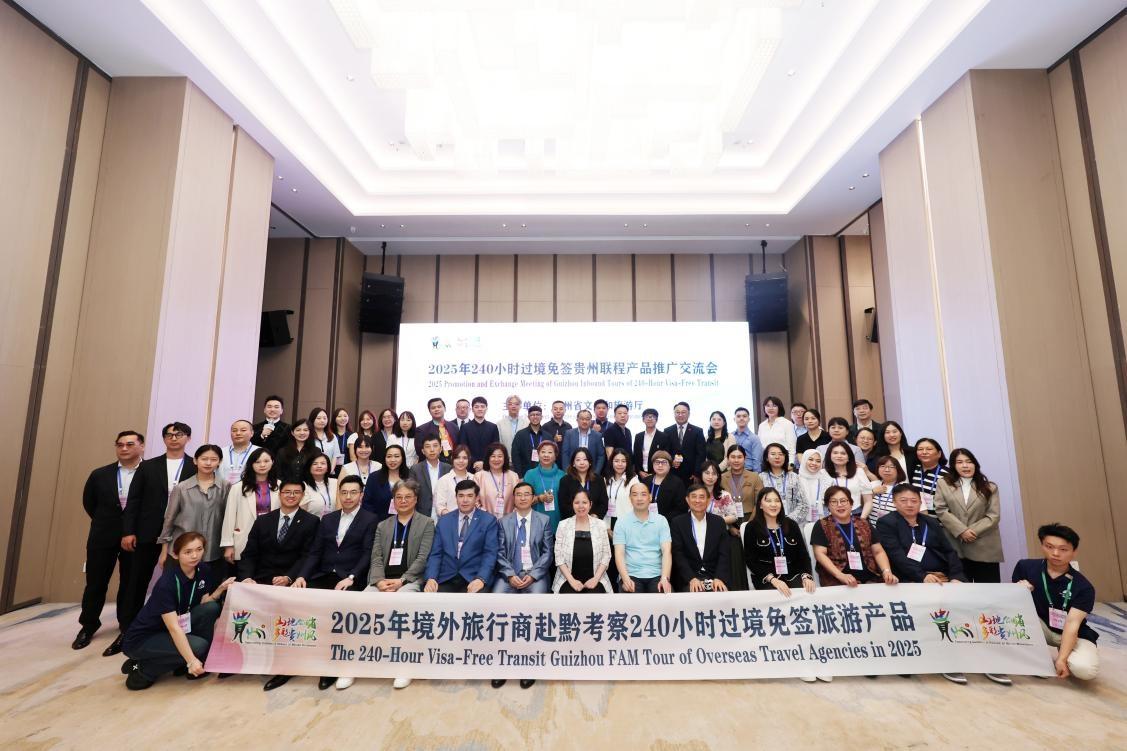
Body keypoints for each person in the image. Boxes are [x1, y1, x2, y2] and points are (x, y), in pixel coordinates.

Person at [876, 483, 969, 684]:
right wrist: (922, 576)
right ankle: (927, 661)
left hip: (942, 578)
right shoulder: (886, 523)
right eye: (904, 501)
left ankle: (956, 659)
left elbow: (949, 551)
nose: (909, 505)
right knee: (929, 619)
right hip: (909, 580)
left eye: (914, 501)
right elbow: (896, 555)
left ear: (921, 502)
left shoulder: (930, 522)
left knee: (958, 615)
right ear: (894, 503)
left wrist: (956, 576)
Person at [291, 475, 376, 691]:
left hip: (349, 578)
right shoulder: (328, 519)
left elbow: (367, 554)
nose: (348, 497)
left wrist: (351, 577)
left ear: (361, 495)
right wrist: (302, 576)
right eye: (344, 492)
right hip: (324, 575)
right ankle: (292, 663)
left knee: (339, 615)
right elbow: (315, 552)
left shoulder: (370, 519)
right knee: (298, 603)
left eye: (353, 492)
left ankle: (332, 667)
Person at [118, 422, 197, 654]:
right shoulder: (148, 466)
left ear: (188, 438)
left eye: (179, 434)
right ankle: (128, 629)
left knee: (178, 584)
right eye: (169, 435)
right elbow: (134, 500)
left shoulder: (194, 465)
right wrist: (128, 531)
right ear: (164, 439)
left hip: (181, 534)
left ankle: (175, 631)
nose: (174, 438)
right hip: (147, 532)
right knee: (136, 581)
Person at [120, 532, 234, 690]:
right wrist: (191, 660)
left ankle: (186, 660)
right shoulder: (166, 583)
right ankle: (142, 669)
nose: (195, 555)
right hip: (144, 638)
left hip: (173, 628)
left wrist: (220, 589)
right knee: (199, 646)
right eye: (188, 552)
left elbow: (204, 603)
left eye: (199, 549)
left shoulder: (203, 569)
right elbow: (174, 628)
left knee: (211, 608)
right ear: (175, 554)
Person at [238, 478, 320, 691]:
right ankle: (239, 659)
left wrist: (289, 577)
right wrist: (247, 578)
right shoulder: (263, 520)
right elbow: (249, 554)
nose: (291, 496)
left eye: (296, 492)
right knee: (238, 600)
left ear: (302, 495)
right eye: (287, 492)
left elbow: (308, 556)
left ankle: (285, 667)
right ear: (280, 494)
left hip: (291, 582)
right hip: (262, 578)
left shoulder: (311, 522)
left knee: (288, 617)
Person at [73, 430, 145, 653]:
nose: (124, 448)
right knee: (95, 582)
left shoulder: (151, 473)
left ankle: (127, 626)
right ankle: (88, 625)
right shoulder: (100, 474)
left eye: (130, 444)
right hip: (103, 535)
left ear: (141, 446)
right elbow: (90, 503)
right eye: (120, 444)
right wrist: (108, 522)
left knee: (130, 584)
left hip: (137, 536)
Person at [367, 479, 436, 690]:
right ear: (393, 500)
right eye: (399, 497)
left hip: (409, 580)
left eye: (408, 497)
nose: (403, 501)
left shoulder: (426, 523)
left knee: (403, 604)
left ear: (416, 499)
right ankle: (358, 664)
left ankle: (405, 666)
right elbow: (376, 557)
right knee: (362, 602)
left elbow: (423, 558)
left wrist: (401, 580)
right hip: (382, 579)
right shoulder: (383, 525)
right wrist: (379, 581)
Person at [1012, 523, 1099, 681]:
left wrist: (1062, 659)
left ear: (1074, 552)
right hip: (1039, 626)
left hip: (1072, 632)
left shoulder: (1084, 587)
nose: (1055, 553)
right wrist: (1018, 591)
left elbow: (1072, 623)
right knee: (1011, 619)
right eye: (1049, 547)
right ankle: (1033, 657)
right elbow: (1012, 605)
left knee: (1085, 670)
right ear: (1042, 545)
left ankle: (1065, 650)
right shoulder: (1025, 567)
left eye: (1063, 549)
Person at [158, 444, 229, 578]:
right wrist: (164, 551)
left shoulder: (226, 487)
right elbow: (169, 520)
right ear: (195, 460)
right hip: (182, 550)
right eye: (204, 459)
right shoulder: (181, 488)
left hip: (213, 552)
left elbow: (229, 519)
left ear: (219, 462)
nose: (208, 463)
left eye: (213, 459)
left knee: (209, 589)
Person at [935, 448, 1003, 583]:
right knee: (961, 591)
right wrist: (961, 531)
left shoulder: (990, 487)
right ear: (954, 466)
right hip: (956, 545)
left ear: (975, 464)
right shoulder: (943, 484)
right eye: (959, 462)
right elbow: (941, 509)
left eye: (969, 461)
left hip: (984, 546)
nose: (965, 465)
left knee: (988, 590)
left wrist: (971, 531)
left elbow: (993, 516)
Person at [811, 485, 898, 587]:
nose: (839, 505)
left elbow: (878, 551)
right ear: (828, 506)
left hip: (870, 578)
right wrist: (840, 575)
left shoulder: (864, 523)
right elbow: (820, 554)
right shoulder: (822, 525)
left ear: (851, 504)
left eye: (843, 501)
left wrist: (886, 571)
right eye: (834, 502)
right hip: (838, 580)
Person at [424, 479, 500, 593]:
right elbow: (436, 554)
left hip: (473, 577)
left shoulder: (488, 521)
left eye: (470, 496)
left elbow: (490, 554)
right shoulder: (444, 521)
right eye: (461, 496)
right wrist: (431, 578)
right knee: (432, 597)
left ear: (477, 498)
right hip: (446, 577)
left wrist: (481, 579)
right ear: (456, 497)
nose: (465, 500)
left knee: (476, 598)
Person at [493, 482, 554, 595]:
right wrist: (510, 575)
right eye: (519, 495)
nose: (522, 498)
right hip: (509, 574)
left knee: (537, 600)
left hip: (535, 574)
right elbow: (499, 553)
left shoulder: (544, 520)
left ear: (533, 497)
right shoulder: (503, 522)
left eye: (526, 494)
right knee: (497, 598)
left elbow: (548, 553)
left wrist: (533, 575)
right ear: (514, 498)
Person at [221, 447, 278, 565]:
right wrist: (228, 545)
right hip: (245, 538)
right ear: (251, 464)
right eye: (257, 462)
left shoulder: (280, 486)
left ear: (272, 462)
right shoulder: (238, 487)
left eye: (266, 461)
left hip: (271, 539)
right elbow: (229, 517)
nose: (262, 465)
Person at [670, 484, 731, 592]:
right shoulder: (677, 523)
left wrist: (719, 578)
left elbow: (724, 553)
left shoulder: (718, 522)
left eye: (702, 497)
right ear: (687, 500)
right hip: (689, 578)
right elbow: (678, 554)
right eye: (694, 496)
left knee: (721, 595)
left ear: (708, 500)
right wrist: (691, 578)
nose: (698, 500)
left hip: (714, 576)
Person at [614, 483, 673, 593]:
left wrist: (665, 578)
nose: (639, 498)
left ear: (650, 497)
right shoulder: (621, 522)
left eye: (643, 494)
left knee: (665, 599)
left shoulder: (661, 520)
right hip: (630, 574)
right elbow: (619, 554)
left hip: (657, 574)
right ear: (630, 498)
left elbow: (666, 552)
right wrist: (625, 578)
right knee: (629, 600)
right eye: (635, 495)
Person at [553, 490, 613, 594]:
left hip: (596, 578)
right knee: (567, 599)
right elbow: (559, 557)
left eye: (584, 502)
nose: (581, 506)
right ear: (572, 504)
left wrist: (595, 579)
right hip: (567, 578)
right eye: (577, 502)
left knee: (596, 598)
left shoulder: (600, 525)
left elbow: (606, 555)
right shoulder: (563, 525)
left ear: (590, 504)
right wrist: (572, 581)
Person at [701, 459, 748, 590]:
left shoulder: (724, 495)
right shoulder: (695, 494)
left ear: (718, 476)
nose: (710, 476)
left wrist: (715, 521)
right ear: (701, 474)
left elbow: (733, 516)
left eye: (714, 473)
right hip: (699, 536)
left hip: (719, 536)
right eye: (707, 473)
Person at [824, 440, 873, 520]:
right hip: (831, 517)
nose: (839, 456)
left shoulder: (859, 472)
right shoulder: (823, 474)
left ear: (849, 457)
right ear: (829, 456)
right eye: (835, 453)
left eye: (843, 453)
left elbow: (868, 501)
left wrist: (861, 520)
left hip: (856, 515)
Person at [524, 441, 565, 532]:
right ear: (538, 455)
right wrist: (540, 498)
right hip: (535, 524)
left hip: (559, 524)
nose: (546, 455)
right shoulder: (530, 474)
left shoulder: (563, 475)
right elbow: (524, 500)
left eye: (550, 452)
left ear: (555, 456)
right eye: (543, 452)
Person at [759, 443, 807, 521]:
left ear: (785, 457)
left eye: (781, 454)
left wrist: (788, 521)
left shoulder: (794, 477)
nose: (777, 457)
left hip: (792, 522)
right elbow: (758, 504)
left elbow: (803, 504)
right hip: (768, 522)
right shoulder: (761, 478)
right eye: (773, 454)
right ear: (766, 458)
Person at [558, 447, 609, 520]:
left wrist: (595, 516)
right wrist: (580, 517)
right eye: (578, 460)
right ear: (573, 463)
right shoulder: (565, 481)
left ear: (590, 462)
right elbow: (563, 505)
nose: (582, 463)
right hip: (572, 521)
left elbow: (604, 503)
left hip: (594, 521)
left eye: (585, 459)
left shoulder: (599, 480)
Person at [361, 444, 407, 522]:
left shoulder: (410, 476)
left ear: (402, 458)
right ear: (384, 459)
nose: (392, 460)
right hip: (379, 523)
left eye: (396, 456)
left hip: (406, 522)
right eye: (389, 456)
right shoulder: (374, 477)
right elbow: (367, 504)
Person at [719, 445, 764, 525]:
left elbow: (759, 502)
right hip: (727, 520)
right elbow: (718, 504)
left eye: (739, 457)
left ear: (745, 458)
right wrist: (730, 528)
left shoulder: (754, 477)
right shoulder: (721, 478)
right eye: (733, 457)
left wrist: (749, 524)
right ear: (728, 459)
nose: (736, 460)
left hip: (751, 519)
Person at [663, 401, 705, 484]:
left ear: (688, 414)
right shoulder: (667, 431)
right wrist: (671, 461)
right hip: (672, 473)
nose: (680, 415)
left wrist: (697, 474)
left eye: (683, 412)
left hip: (691, 475)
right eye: (677, 412)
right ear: (674, 414)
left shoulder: (697, 431)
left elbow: (701, 454)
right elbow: (665, 451)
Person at [409, 435, 450, 518]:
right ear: (423, 451)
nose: (432, 450)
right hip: (422, 514)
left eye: (435, 446)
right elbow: (411, 493)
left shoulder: (448, 468)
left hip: (445, 513)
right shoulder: (415, 469)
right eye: (428, 446)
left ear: (441, 449)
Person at [474, 443, 520, 518]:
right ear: (488, 458)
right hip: (485, 520)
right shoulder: (479, 476)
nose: (496, 459)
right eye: (493, 456)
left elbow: (518, 500)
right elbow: (475, 500)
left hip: (509, 520)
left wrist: (510, 517)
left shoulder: (513, 476)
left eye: (500, 456)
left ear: (505, 458)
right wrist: (486, 517)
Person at [414, 398, 459, 463]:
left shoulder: (454, 427)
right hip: (433, 464)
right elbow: (420, 451)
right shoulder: (421, 430)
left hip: (453, 464)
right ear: (429, 411)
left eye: (439, 407)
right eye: (433, 408)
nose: (436, 409)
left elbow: (459, 446)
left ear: (445, 409)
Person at [461, 396, 500, 470]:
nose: (480, 409)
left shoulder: (493, 427)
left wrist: (484, 462)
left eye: (482, 406)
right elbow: (463, 448)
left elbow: (495, 448)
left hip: (489, 466)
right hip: (469, 466)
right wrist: (475, 462)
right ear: (472, 409)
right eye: (476, 407)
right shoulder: (465, 427)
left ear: (486, 409)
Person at [646, 450, 688, 521]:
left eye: (664, 462)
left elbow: (681, 508)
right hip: (646, 519)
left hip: (668, 522)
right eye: (657, 462)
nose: (660, 465)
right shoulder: (646, 481)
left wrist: (662, 519)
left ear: (670, 465)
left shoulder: (677, 483)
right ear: (652, 464)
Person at [434, 444, 474, 516]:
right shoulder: (444, 480)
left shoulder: (474, 478)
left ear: (469, 459)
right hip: (451, 520)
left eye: (464, 458)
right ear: (452, 459)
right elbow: (440, 506)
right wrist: (452, 518)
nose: (461, 461)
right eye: (457, 458)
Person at [563, 409, 606, 474]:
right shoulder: (569, 434)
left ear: (591, 421)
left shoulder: (597, 435)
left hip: (591, 472)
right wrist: (567, 471)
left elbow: (601, 455)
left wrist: (596, 473)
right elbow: (565, 453)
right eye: (582, 419)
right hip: (573, 471)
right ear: (577, 420)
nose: (584, 421)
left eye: (587, 419)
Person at [867, 455, 905, 527]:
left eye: (891, 467)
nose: (887, 470)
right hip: (873, 530)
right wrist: (873, 492)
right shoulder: (872, 485)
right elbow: (862, 505)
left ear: (898, 470)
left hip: (894, 530)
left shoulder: (904, 488)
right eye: (882, 466)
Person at [756, 396, 797, 465]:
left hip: (783, 462)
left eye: (774, 406)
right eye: (768, 406)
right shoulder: (762, 425)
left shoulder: (787, 424)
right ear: (764, 408)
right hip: (766, 462)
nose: (771, 408)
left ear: (779, 408)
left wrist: (791, 464)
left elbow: (792, 447)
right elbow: (760, 447)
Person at [911, 437, 946, 514]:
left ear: (939, 454)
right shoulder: (913, 470)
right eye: (920, 449)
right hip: (915, 518)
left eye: (929, 449)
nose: (924, 452)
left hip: (939, 519)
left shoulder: (947, 474)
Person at [632, 407, 668, 480]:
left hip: (657, 474)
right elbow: (635, 456)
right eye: (647, 416)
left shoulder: (664, 437)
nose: (650, 419)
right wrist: (639, 471)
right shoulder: (638, 436)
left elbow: (665, 457)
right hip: (641, 474)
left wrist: (654, 473)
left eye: (652, 417)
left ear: (656, 420)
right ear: (643, 420)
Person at [797, 449, 831, 524]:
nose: (814, 463)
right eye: (810, 459)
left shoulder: (825, 479)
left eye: (818, 461)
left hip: (821, 521)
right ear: (804, 460)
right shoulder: (795, 480)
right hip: (799, 521)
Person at [219, 420, 259, 486]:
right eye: (234, 430)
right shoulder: (221, 452)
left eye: (243, 430)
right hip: (223, 490)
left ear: (252, 433)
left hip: (250, 489)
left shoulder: (259, 452)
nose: (238, 433)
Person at [511, 405, 547, 476]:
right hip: (525, 473)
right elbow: (515, 456)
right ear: (528, 417)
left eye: (537, 415)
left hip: (544, 473)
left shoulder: (547, 436)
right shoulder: (520, 434)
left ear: (541, 417)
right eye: (532, 415)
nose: (535, 417)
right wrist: (519, 475)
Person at [300, 453, 337, 517]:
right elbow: (301, 512)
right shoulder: (303, 486)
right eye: (315, 464)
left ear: (328, 467)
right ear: (309, 467)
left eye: (323, 463)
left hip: (333, 521)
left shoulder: (336, 482)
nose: (319, 466)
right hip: (312, 522)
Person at [730, 407, 764, 472]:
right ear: (734, 419)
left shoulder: (754, 438)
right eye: (738, 416)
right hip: (732, 472)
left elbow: (757, 460)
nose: (741, 418)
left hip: (749, 471)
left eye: (744, 416)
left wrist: (756, 475)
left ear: (749, 419)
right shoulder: (730, 436)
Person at [308, 407, 343, 471]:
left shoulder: (332, 436)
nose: (322, 421)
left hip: (329, 472)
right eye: (318, 418)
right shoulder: (308, 435)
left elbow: (335, 456)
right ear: (312, 419)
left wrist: (329, 471)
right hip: (310, 472)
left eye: (325, 418)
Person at [543, 400, 573, 466]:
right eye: (555, 409)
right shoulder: (545, 426)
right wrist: (553, 440)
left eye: (561, 409)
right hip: (550, 461)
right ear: (552, 411)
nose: (558, 411)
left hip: (566, 461)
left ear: (565, 410)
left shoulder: (569, 426)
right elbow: (542, 445)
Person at [331, 408, 354, 475]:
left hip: (348, 469)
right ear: (334, 419)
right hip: (332, 468)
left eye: (345, 416)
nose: (343, 418)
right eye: (339, 416)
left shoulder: (352, 435)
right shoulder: (330, 435)